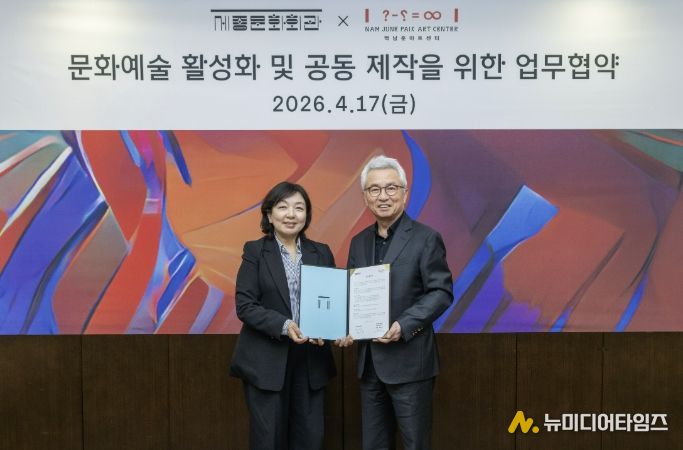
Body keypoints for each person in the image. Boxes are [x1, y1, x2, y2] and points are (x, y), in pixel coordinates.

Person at [337, 155, 454, 450]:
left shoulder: (426, 238)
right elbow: (352, 293)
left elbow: (441, 292)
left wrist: (404, 325)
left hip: (410, 363)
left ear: (405, 192)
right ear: (365, 197)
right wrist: (343, 325)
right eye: (374, 189)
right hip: (369, 365)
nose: (383, 196)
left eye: (391, 188)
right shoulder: (358, 242)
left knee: (415, 444)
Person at [230, 181, 336, 450]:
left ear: (307, 215)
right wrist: (285, 325)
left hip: (311, 361)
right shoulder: (255, 251)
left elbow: (332, 302)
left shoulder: (321, 252)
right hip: (266, 362)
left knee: (310, 440)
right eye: (282, 207)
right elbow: (245, 305)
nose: (291, 214)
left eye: (299, 208)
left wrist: (331, 329)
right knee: (269, 441)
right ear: (269, 214)